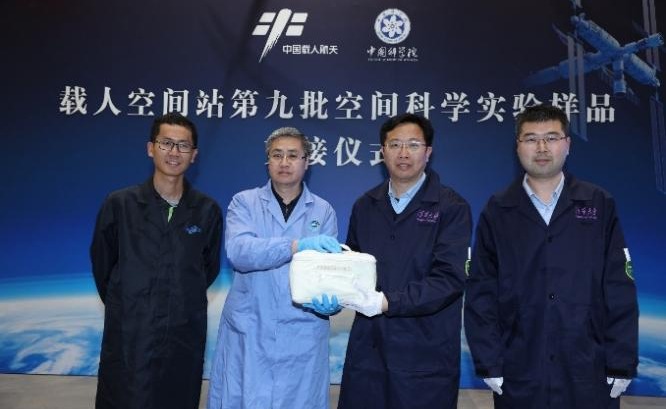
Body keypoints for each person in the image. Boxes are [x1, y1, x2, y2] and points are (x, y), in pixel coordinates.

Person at [464, 104, 639, 408]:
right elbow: (481, 291)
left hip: (588, 366)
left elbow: (619, 286)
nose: (542, 147)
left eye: (552, 138)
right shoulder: (498, 210)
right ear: (518, 146)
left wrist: (621, 360)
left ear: (567, 144)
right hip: (520, 368)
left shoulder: (598, 203)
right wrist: (488, 361)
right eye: (531, 139)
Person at [337, 113, 473, 409]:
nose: (403, 153)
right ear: (382, 151)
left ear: (428, 152)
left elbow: (449, 279)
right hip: (369, 350)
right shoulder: (365, 206)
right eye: (395, 144)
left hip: (425, 353)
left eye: (413, 144)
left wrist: (386, 302)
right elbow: (352, 269)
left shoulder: (451, 207)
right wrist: (334, 294)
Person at [90, 112, 223, 409]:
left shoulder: (207, 210)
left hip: (182, 332)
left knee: (176, 397)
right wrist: (129, 302)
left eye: (183, 146)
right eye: (166, 143)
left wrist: (176, 298)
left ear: (194, 155)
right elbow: (103, 265)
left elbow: (208, 268)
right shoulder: (120, 204)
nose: (174, 152)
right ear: (151, 148)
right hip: (130, 332)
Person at [207, 127, 342, 409]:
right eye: (276, 155)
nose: (284, 162)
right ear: (267, 161)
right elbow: (240, 252)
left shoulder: (323, 210)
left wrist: (331, 302)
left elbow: (327, 272)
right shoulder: (244, 203)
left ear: (307, 162)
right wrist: (296, 246)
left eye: (293, 155)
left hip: (303, 332)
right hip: (250, 328)